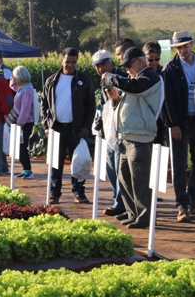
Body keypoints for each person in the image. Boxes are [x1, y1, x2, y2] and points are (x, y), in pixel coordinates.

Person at [103, 47, 163, 229]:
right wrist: (115, 98)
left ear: (139, 61)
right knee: (125, 177)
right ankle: (132, 212)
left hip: (141, 137)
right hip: (126, 135)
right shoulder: (133, 79)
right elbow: (128, 98)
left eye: (129, 65)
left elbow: (135, 89)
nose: (127, 69)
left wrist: (110, 77)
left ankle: (144, 217)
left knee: (139, 179)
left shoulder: (150, 77)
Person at [41, 48, 96, 204]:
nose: (70, 65)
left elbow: (91, 105)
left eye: (73, 62)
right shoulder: (52, 81)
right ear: (62, 61)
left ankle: (79, 192)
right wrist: (46, 124)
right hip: (56, 128)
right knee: (55, 162)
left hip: (76, 129)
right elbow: (44, 104)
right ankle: (54, 193)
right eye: (67, 62)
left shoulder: (84, 80)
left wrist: (86, 127)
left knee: (78, 162)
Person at [164, 30, 195, 222]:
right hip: (181, 122)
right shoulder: (170, 69)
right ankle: (182, 205)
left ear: (192, 45)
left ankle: (194, 199)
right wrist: (173, 124)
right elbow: (168, 100)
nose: (182, 50)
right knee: (179, 165)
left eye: (185, 46)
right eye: (178, 47)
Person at [92, 50, 127, 216]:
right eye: (97, 66)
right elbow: (103, 103)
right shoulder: (103, 79)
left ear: (112, 62)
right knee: (111, 167)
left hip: (120, 128)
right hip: (108, 129)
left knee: (119, 166)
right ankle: (117, 198)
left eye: (103, 64)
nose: (100, 68)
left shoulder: (120, 77)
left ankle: (120, 203)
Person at [9, 66, 36, 179]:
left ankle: (28, 170)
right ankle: (25, 169)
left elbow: (25, 109)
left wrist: (20, 123)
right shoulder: (22, 87)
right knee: (19, 146)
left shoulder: (27, 90)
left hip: (25, 123)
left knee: (22, 146)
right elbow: (12, 86)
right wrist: (12, 78)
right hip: (21, 123)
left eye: (15, 76)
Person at [143, 40, 167, 146]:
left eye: (157, 59)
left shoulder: (164, 73)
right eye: (150, 59)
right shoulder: (139, 74)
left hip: (160, 118)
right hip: (143, 118)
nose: (154, 62)